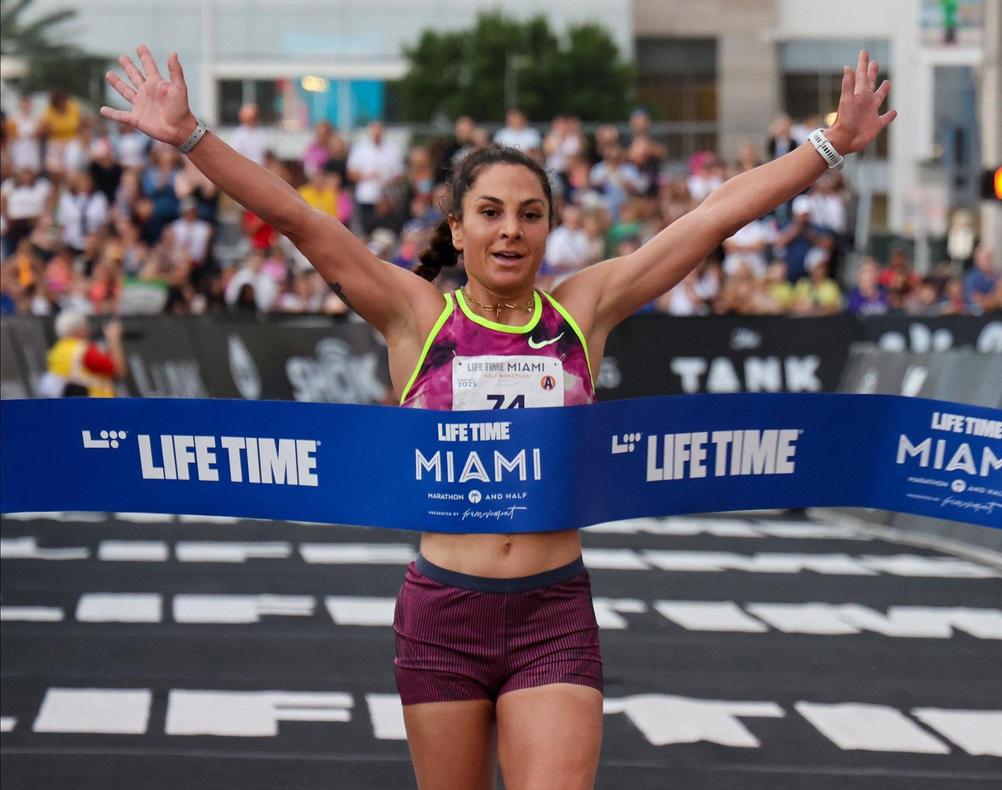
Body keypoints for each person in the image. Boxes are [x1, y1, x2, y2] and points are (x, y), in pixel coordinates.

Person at [102, 45, 893, 789]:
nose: (511, 228)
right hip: (442, 614)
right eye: (489, 212)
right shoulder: (415, 317)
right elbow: (303, 221)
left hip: (553, 612)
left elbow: (711, 218)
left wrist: (830, 146)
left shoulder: (586, 308)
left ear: (550, 227)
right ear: (458, 229)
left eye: (530, 213)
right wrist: (191, 138)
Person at [42, 311, 125, 397]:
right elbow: (119, 370)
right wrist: (113, 339)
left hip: (70, 404)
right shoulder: (84, 351)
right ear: (77, 330)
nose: (87, 330)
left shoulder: (56, 351)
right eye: (85, 326)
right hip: (95, 403)